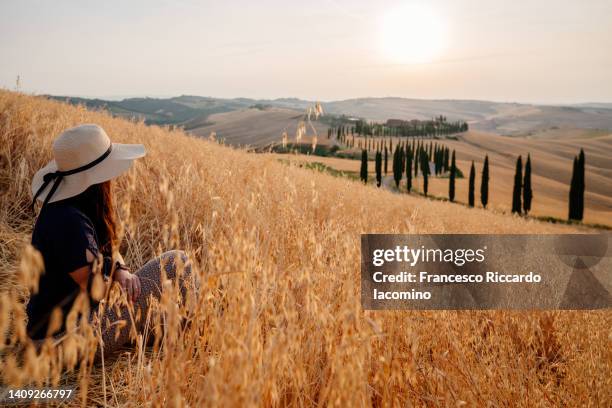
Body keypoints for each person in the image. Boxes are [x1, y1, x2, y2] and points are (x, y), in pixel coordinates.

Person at [26, 124, 191, 356]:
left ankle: (183, 330)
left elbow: (108, 250)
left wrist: (121, 270)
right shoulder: (69, 222)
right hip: (63, 343)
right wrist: (115, 270)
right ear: (97, 177)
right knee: (177, 260)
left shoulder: (70, 207)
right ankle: (194, 328)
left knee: (164, 318)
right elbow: (98, 290)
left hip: (64, 332)